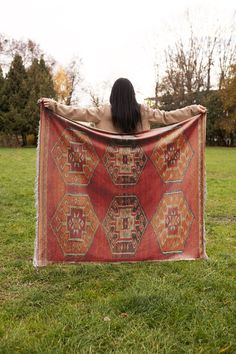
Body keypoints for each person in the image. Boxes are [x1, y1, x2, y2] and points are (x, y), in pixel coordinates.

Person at [38, 77, 207, 134]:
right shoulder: (143, 111)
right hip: (139, 169)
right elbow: (167, 116)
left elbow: (75, 112)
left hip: (106, 170)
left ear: (113, 94)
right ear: (132, 94)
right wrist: (192, 109)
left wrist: (54, 105)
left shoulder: (102, 111)